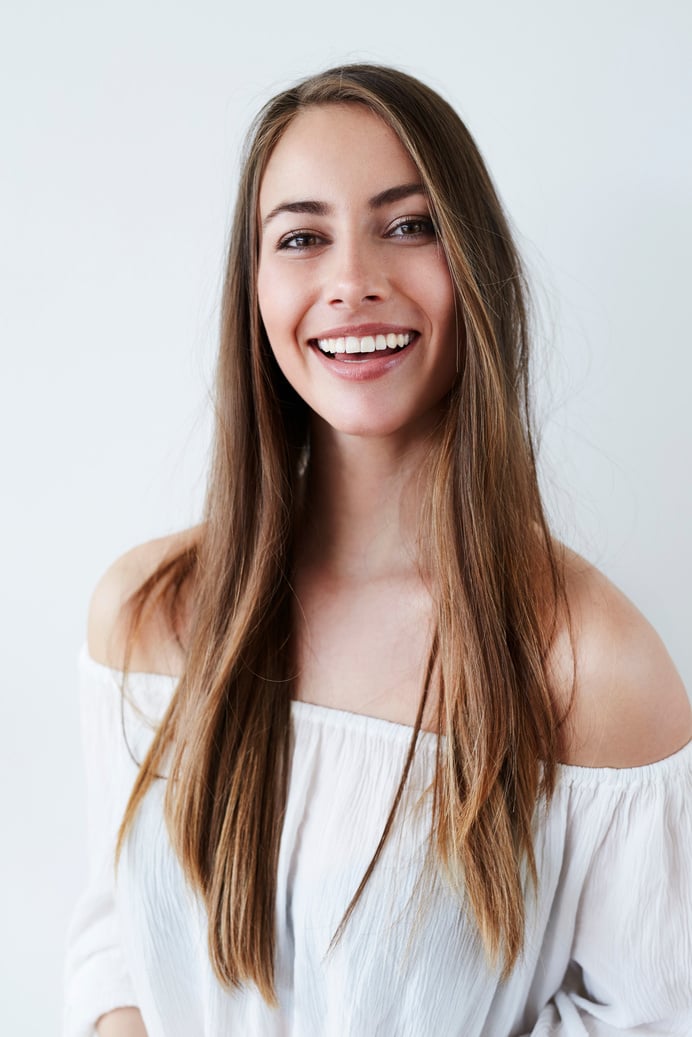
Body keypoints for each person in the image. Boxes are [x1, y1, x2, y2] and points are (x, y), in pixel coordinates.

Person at [64, 64, 692, 1037]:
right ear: (256, 289)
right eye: (301, 238)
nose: (351, 280)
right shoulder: (147, 613)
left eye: (406, 225)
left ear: (473, 265)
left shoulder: (590, 665)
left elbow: (649, 1018)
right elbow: (116, 936)